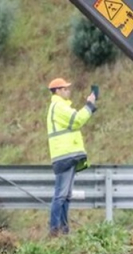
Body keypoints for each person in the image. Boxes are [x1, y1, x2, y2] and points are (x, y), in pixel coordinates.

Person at [45, 77, 97, 236]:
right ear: (58, 91)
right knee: (61, 195)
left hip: (67, 156)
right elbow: (77, 120)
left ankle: (63, 229)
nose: (68, 90)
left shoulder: (59, 106)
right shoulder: (58, 106)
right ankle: (55, 229)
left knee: (65, 196)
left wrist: (90, 107)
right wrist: (89, 105)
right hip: (64, 156)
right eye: (65, 88)